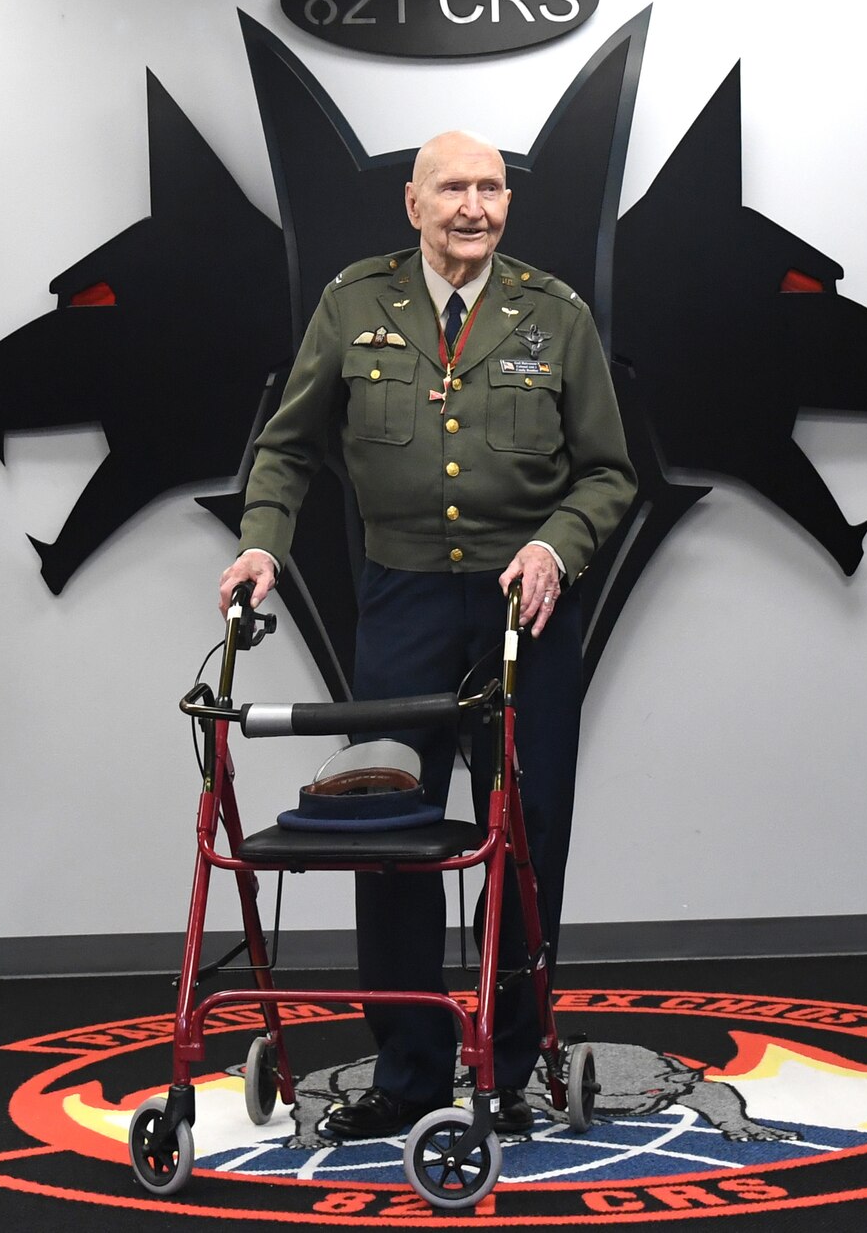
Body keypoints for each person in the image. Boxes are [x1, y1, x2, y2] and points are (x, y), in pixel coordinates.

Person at [218, 130, 636, 1139]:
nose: (473, 206)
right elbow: (287, 446)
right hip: (399, 608)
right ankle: (408, 1069)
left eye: (491, 188)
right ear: (412, 203)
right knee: (388, 838)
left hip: (521, 613)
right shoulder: (354, 304)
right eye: (453, 187)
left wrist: (553, 550)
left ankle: (516, 1064)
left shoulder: (554, 314)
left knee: (527, 841)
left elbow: (608, 473)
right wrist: (261, 547)